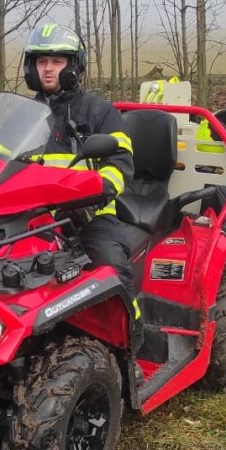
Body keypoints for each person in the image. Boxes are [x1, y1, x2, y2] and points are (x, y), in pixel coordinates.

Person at [22, 22, 138, 313]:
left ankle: (133, 342)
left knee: (110, 270)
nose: (48, 69)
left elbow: (120, 161)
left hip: (91, 217)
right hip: (31, 217)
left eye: (57, 61)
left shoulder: (99, 111)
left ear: (74, 66)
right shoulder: (21, 116)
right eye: (41, 61)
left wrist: (97, 194)